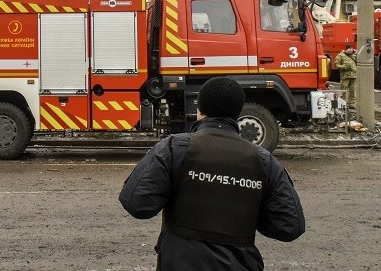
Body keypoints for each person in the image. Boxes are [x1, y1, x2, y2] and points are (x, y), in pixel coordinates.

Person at [118, 77, 306, 270]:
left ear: (200, 110)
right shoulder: (264, 161)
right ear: (237, 113)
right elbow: (290, 227)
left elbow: (137, 204)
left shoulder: (175, 148)